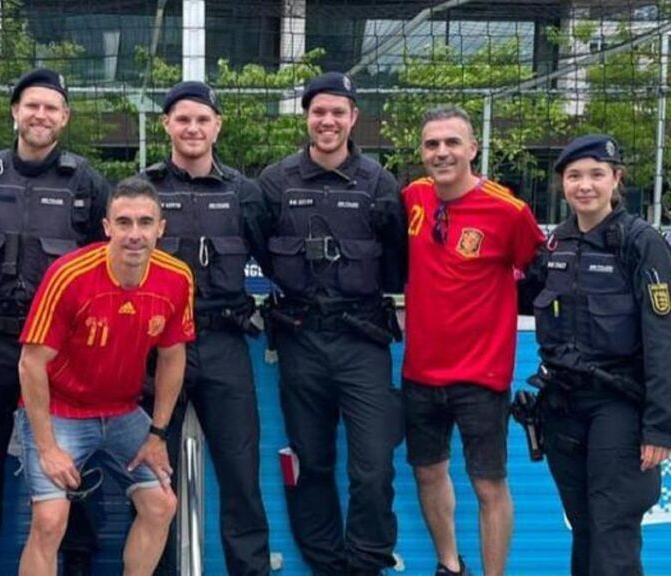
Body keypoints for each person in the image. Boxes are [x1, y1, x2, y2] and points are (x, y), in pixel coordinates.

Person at [0, 68, 111, 575]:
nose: (40, 115)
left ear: (65, 117)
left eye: (51, 108)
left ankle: (79, 562)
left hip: (61, 351)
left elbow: (101, 261)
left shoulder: (86, 182)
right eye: (32, 106)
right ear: (15, 112)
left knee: (71, 463)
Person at [255, 71, 407, 576]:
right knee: (310, 462)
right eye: (319, 111)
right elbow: (260, 248)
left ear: (353, 117)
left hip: (363, 340)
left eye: (338, 112)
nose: (328, 121)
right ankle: (327, 565)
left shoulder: (380, 184)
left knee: (374, 466)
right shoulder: (275, 182)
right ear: (306, 117)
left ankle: (365, 564)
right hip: (300, 339)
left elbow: (397, 263)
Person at [16, 176, 191, 575]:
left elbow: (172, 356)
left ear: (161, 228)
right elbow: (30, 363)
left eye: (145, 222)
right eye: (124, 222)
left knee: (162, 505)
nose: (135, 234)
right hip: (60, 411)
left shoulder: (178, 277)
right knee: (49, 521)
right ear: (107, 226)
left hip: (122, 412)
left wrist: (157, 434)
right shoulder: (69, 275)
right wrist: (47, 448)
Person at [401, 105, 543, 576]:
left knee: (488, 485)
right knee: (427, 471)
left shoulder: (509, 211)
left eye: (452, 143)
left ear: (473, 149)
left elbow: (539, 276)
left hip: (481, 375)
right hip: (420, 371)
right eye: (432, 144)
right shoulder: (414, 196)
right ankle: (450, 565)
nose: (441, 152)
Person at [136, 81, 270, 575]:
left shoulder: (245, 193)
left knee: (241, 476)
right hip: (156, 348)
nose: (192, 128)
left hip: (223, 343)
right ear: (166, 125)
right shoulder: (142, 190)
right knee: (153, 480)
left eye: (202, 120)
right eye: (182, 119)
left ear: (217, 126)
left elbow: (275, 259)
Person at [525, 134, 671, 576]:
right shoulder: (555, 244)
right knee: (585, 527)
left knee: (613, 528)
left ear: (616, 179)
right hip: (564, 405)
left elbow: (662, 336)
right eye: (574, 176)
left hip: (619, 404)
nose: (584, 185)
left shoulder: (641, 242)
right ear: (562, 183)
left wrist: (660, 427)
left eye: (596, 175)